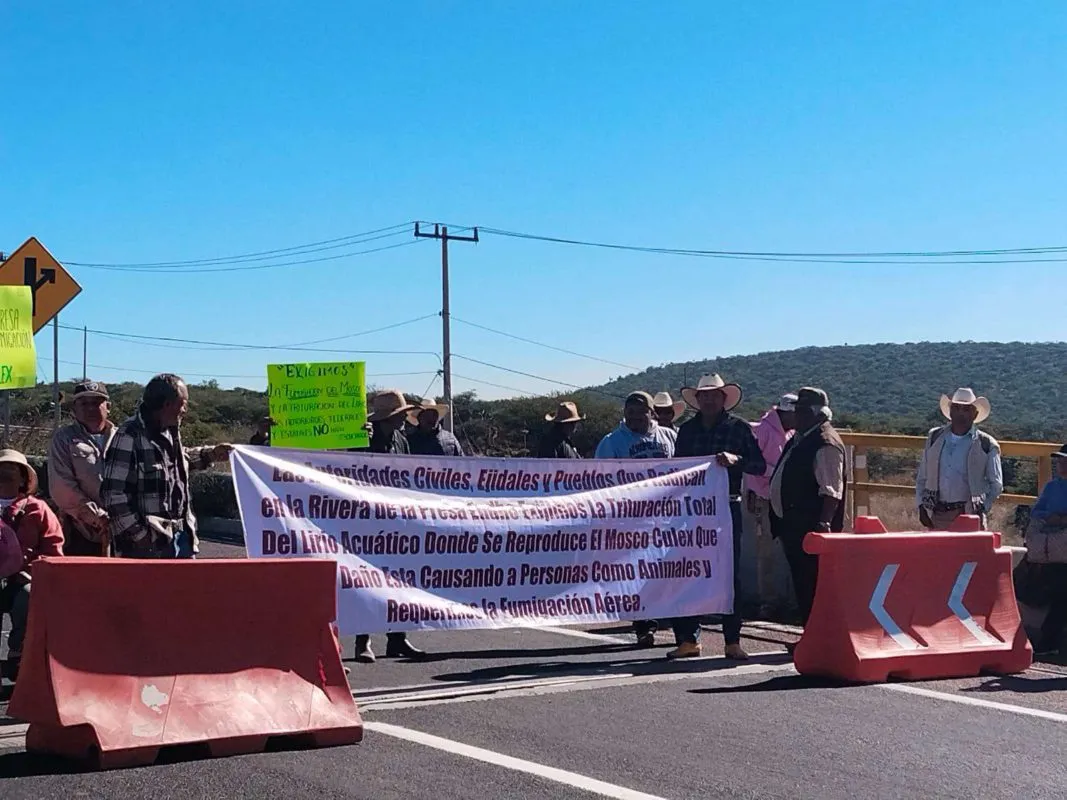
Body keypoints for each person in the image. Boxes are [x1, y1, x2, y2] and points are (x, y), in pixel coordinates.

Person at [669, 374, 766, 660]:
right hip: (692, 512)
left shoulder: (739, 429)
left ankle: (732, 641)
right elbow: (676, 469)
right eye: (704, 395)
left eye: (714, 395)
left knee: (729, 574)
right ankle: (688, 639)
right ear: (697, 400)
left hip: (726, 508)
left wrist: (737, 461)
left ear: (724, 398)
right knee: (688, 570)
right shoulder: (686, 431)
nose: (709, 399)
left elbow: (759, 465)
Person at [100, 374, 232, 561]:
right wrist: (141, 537)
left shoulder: (170, 430)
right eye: (183, 403)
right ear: (167, 404)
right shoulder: (129, 435)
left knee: (186, 591)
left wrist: (210, 454)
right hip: (147, 548)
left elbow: (177, 463)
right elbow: (113, 496)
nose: (185, 409)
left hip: (181, 538)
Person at [595, 391, 676, 647]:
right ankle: (644, 627)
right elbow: (599, 477)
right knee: (638, 572)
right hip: (632, 519)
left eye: (640, 412)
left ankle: (678, 625)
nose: (635, 417)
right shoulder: (612, 442)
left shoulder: (669, 436)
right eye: (630, 412)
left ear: (651, 412)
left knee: (669, 571)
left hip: (668, 517)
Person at [355, 389, 426, 663]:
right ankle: (363, 640)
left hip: (396, 519)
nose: (403, 419)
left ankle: (397, 638)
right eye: (398, 415)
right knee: (365, 581)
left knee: (399, 581)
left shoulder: (401, 439)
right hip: (368, 520)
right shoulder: (362, 440)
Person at [769, 387, 846, 627]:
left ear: (818, 414)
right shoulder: (802, 438)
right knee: (803, 583)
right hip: (794, 524)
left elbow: (831, 489)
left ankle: (818, 636)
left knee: (813, 583)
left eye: (801, 411)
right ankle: (810, 634)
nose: (796, 415)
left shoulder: (825, 443)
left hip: (809, 526)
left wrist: (823, 524)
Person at [0, 449, 64, 683]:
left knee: (27, 598)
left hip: (24, 578)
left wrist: (31, 572)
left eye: (11, 470)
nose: (5, 475)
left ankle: (18, 655)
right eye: (1, 470)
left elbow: (54, 548)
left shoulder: (38, 509)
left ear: (23, 479)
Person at [915, 387, 1003, 530]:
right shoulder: (934, 438)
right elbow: (922, 477)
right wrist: (921, 506)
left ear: (975, 414)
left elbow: (996, 485)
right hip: (937, 513)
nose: (960, 413)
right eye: (956, 408)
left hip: (968, 514)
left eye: (966, 409)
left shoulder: (986, 444)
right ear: (950, 412)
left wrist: (981, 509)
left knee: (969, 553)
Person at [742, 393, 797, 617]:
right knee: (766, 551)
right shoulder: (764, 431)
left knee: (788, 548)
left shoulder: (791, 432)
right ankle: (768, 601)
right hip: (764, 497)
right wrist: (775, 473)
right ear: (786, 413)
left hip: (786, 498)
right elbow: (751, 464)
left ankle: (792, 600)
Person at [48, 380, 117, 557]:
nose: (90, 408)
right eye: (84, 403)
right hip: (80, 530)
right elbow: (61, 487)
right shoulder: (63, 439)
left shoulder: (123, 437)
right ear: (74, 409)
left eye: (96, 403)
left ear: (108, 407)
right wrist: (97, 516)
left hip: (123, 531)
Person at [1025, 444, 1067, 653]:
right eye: (1060, 460)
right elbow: (1037, 512)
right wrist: (1048, 518)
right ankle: (1049, 641)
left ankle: (1049, 640)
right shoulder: (1052, 486)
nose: (1061, 464)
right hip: (1052, 549)